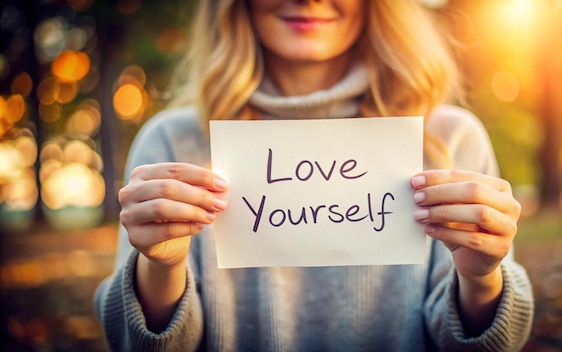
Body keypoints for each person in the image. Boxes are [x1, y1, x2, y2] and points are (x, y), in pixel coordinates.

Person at [94, 0, 534, 351]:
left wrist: (481, 278)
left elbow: (481, 344)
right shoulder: (173, 147)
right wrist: (162, 266)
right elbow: (139, 345)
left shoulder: (448, 139)